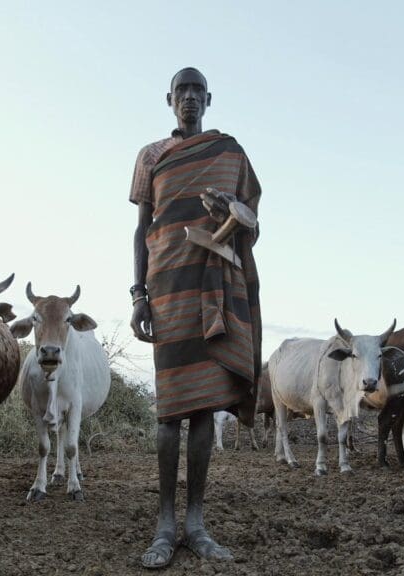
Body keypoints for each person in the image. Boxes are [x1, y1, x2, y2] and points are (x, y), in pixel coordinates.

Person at [129, 67, 262, 568]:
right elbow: (141, 229)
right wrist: (138, 294)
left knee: (204, 407)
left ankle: (196, 523)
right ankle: (165, 524)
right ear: (169, 99)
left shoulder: (230, 153)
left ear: (209, 99)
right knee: (169, 412)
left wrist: (231, 208)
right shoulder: (151, 156)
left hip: (214, 289)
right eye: (181, 90)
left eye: (196, 90)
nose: (189, 97)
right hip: (167, 289)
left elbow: (251, 222)